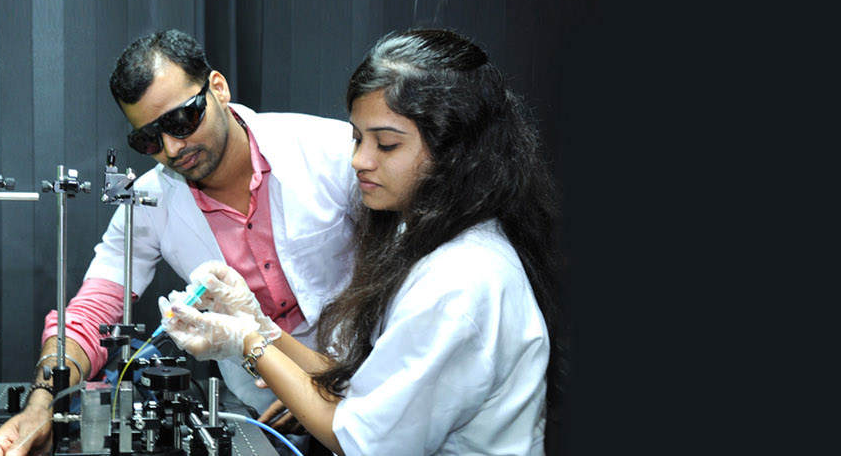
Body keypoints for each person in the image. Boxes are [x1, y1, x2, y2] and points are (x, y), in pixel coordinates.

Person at [163, 28, 562, 455]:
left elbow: (361, 441)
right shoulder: (422, 239)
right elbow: (357, 385)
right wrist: (260, 324)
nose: (359, 160)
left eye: (386, 145)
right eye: (357, 138)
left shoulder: (458, 284)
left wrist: (247, 342)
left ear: (455, 151)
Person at [0, 29, 360, 456]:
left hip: (367, 393)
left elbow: (402, 285)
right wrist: (41, 405)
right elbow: (91, 314)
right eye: (149, 139)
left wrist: (324, 387)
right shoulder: (150, 200)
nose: (172, 148)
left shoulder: (333, 153)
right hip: (261, 415)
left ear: (218, 88)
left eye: (181, 121)